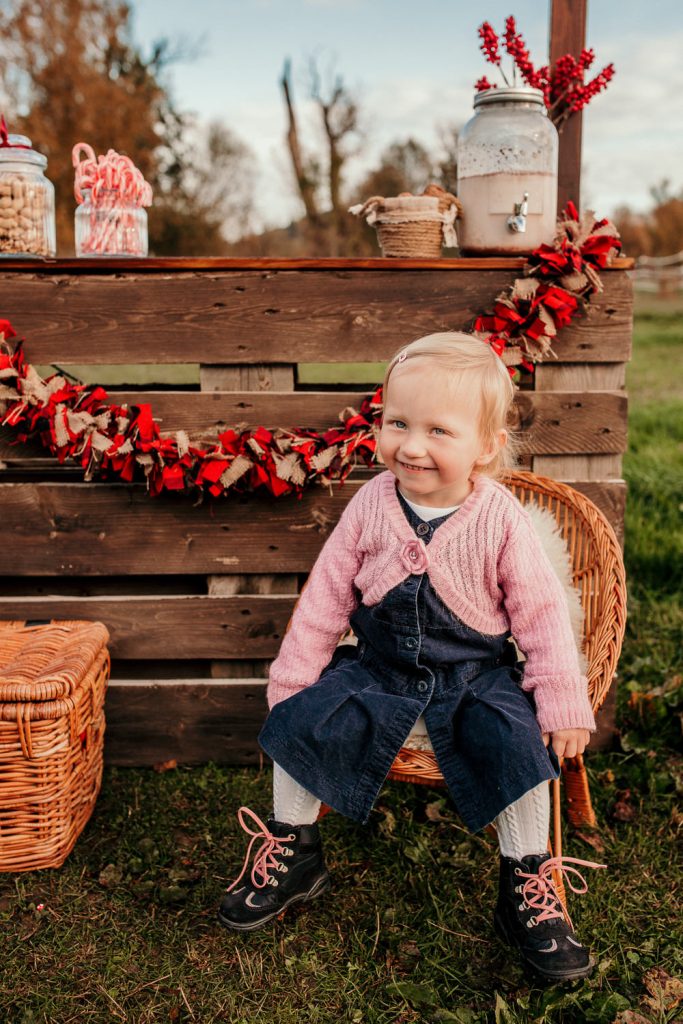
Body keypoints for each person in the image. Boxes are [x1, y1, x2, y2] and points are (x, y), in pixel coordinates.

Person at [217, 332, 603, 982]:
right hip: (377, 670)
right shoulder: (371, 502)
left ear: (485, 446)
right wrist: (293, 678)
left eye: (436, 431)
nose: (411, 445)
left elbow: (541, 616)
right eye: (396, 423)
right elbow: (326, 598)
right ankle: (294, 846)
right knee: (302, 724)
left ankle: (526, 884)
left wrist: (563, 701)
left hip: (473, 676)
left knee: (517, 744)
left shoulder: (499, 519)